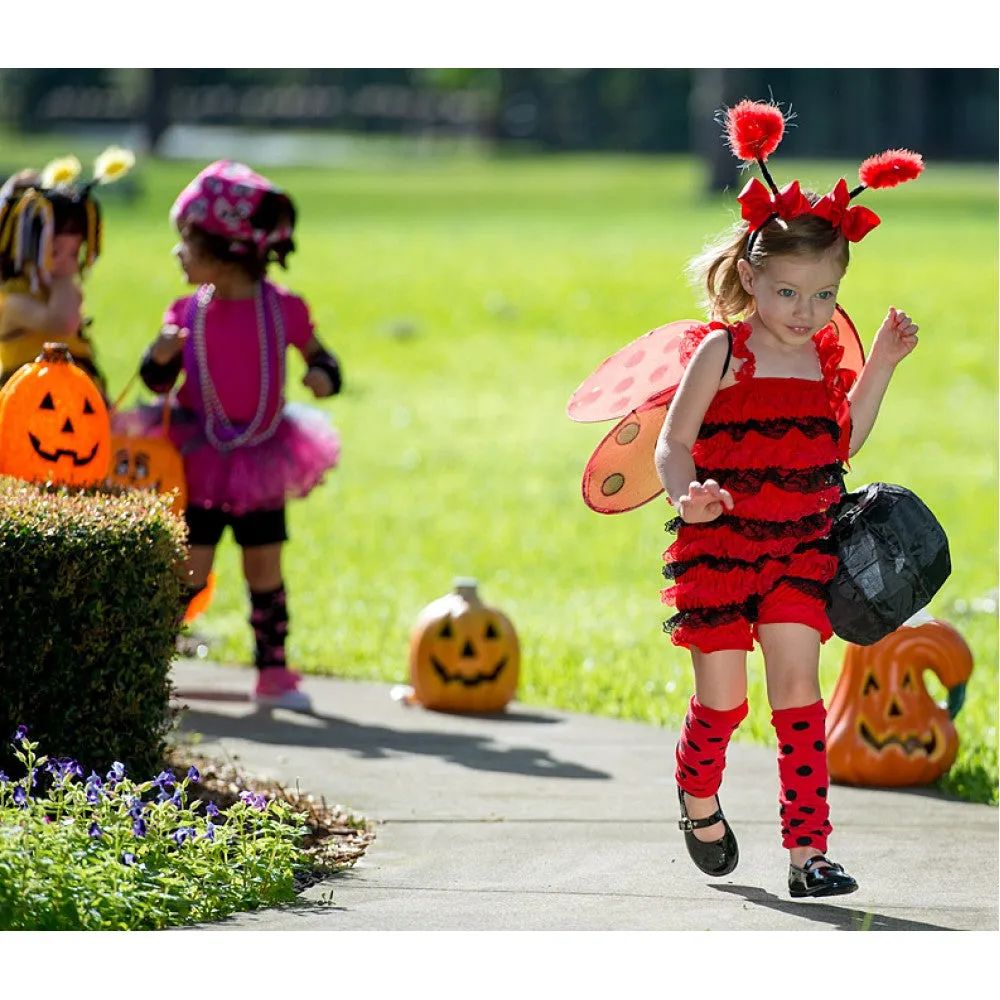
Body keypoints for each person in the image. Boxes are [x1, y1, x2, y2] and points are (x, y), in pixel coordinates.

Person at [654, 100, 923, 898]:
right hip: (721, 547)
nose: (806, 315)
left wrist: (878, 366)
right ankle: (697, 796)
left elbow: (840, 446)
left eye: (823, 295)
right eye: (787, 294)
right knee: (725, 704)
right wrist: (688, 494)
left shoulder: (821, 360)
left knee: (799, 700)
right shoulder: (723, 350)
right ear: (749, 277)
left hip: (801, 549)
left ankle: (810, 855)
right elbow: (674, 443)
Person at [127, 160, 343, 712]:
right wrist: (160, 357)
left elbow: (324, 360)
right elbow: (157, 381)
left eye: (187, 243)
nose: (178, 253)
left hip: (266, 457)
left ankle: (273, 670)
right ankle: (147, 666)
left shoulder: (284, 309)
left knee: (264, 567)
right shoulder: (185, 314)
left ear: (226, 252)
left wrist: (322, 377)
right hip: (202, 460)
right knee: (189, 569)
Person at [0, 148, 134, 393]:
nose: (66, 263)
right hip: (28, 411)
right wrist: (63, 281)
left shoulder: (66, 294)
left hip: (78, 410)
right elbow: (62, 322)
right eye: (54, 252)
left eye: (74, 253)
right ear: (24, 250)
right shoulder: (13, 303)